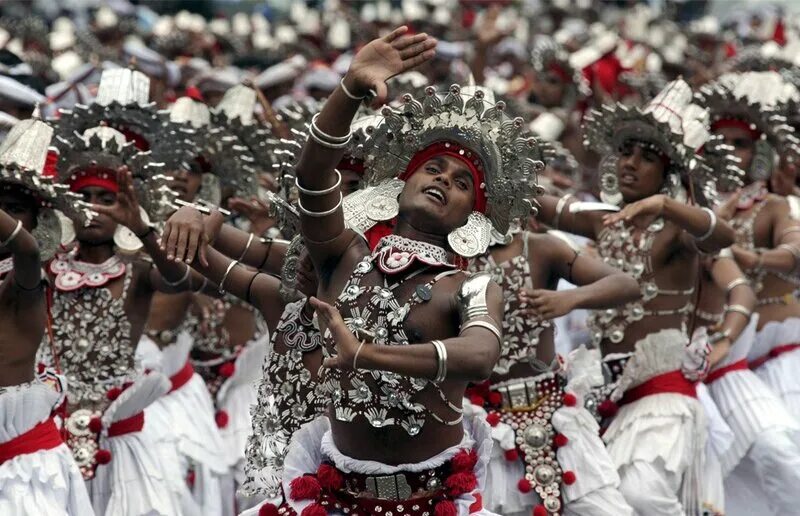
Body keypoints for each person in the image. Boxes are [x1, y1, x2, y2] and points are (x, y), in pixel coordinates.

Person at [155, 26, 546, 515]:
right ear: (399, 184)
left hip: (432, 502)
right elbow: (314, 182)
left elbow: (481, 354)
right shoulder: (344, 256)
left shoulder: (469, 286)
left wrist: (365, 353)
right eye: (432, 167)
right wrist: (348, 90)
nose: (444, 178)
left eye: (463, 181)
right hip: (332, 498)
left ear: (474, 216)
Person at [535, 79, 736, 515]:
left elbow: (722, 233)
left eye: (647, 159)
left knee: (640, 497)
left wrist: (665, 206)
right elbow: (542, 205)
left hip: (662, 399)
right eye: (625, 153)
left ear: (667, 176)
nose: (630, 164)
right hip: (610, 399)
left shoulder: (676, 230)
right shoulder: (602, 221)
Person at [467, 220, 640, 515]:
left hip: (554, 412)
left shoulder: (539, 247)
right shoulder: (447, 257)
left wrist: (570, 298)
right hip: (482, 424)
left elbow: (626, 284)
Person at [698, 71, 800, 515]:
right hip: (722, 365)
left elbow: (795, 252)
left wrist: (750, 256)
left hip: (783, 361)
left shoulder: (774, 206)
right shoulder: (695, 210)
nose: (727, 152)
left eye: (738, 143)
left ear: (758, 152)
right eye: (717, 141)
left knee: (781, 454)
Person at [0, 116, 94, 516]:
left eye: (14, 208)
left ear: (39, 224)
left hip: (22, 477)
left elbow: (23, 250)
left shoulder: (26, 280)